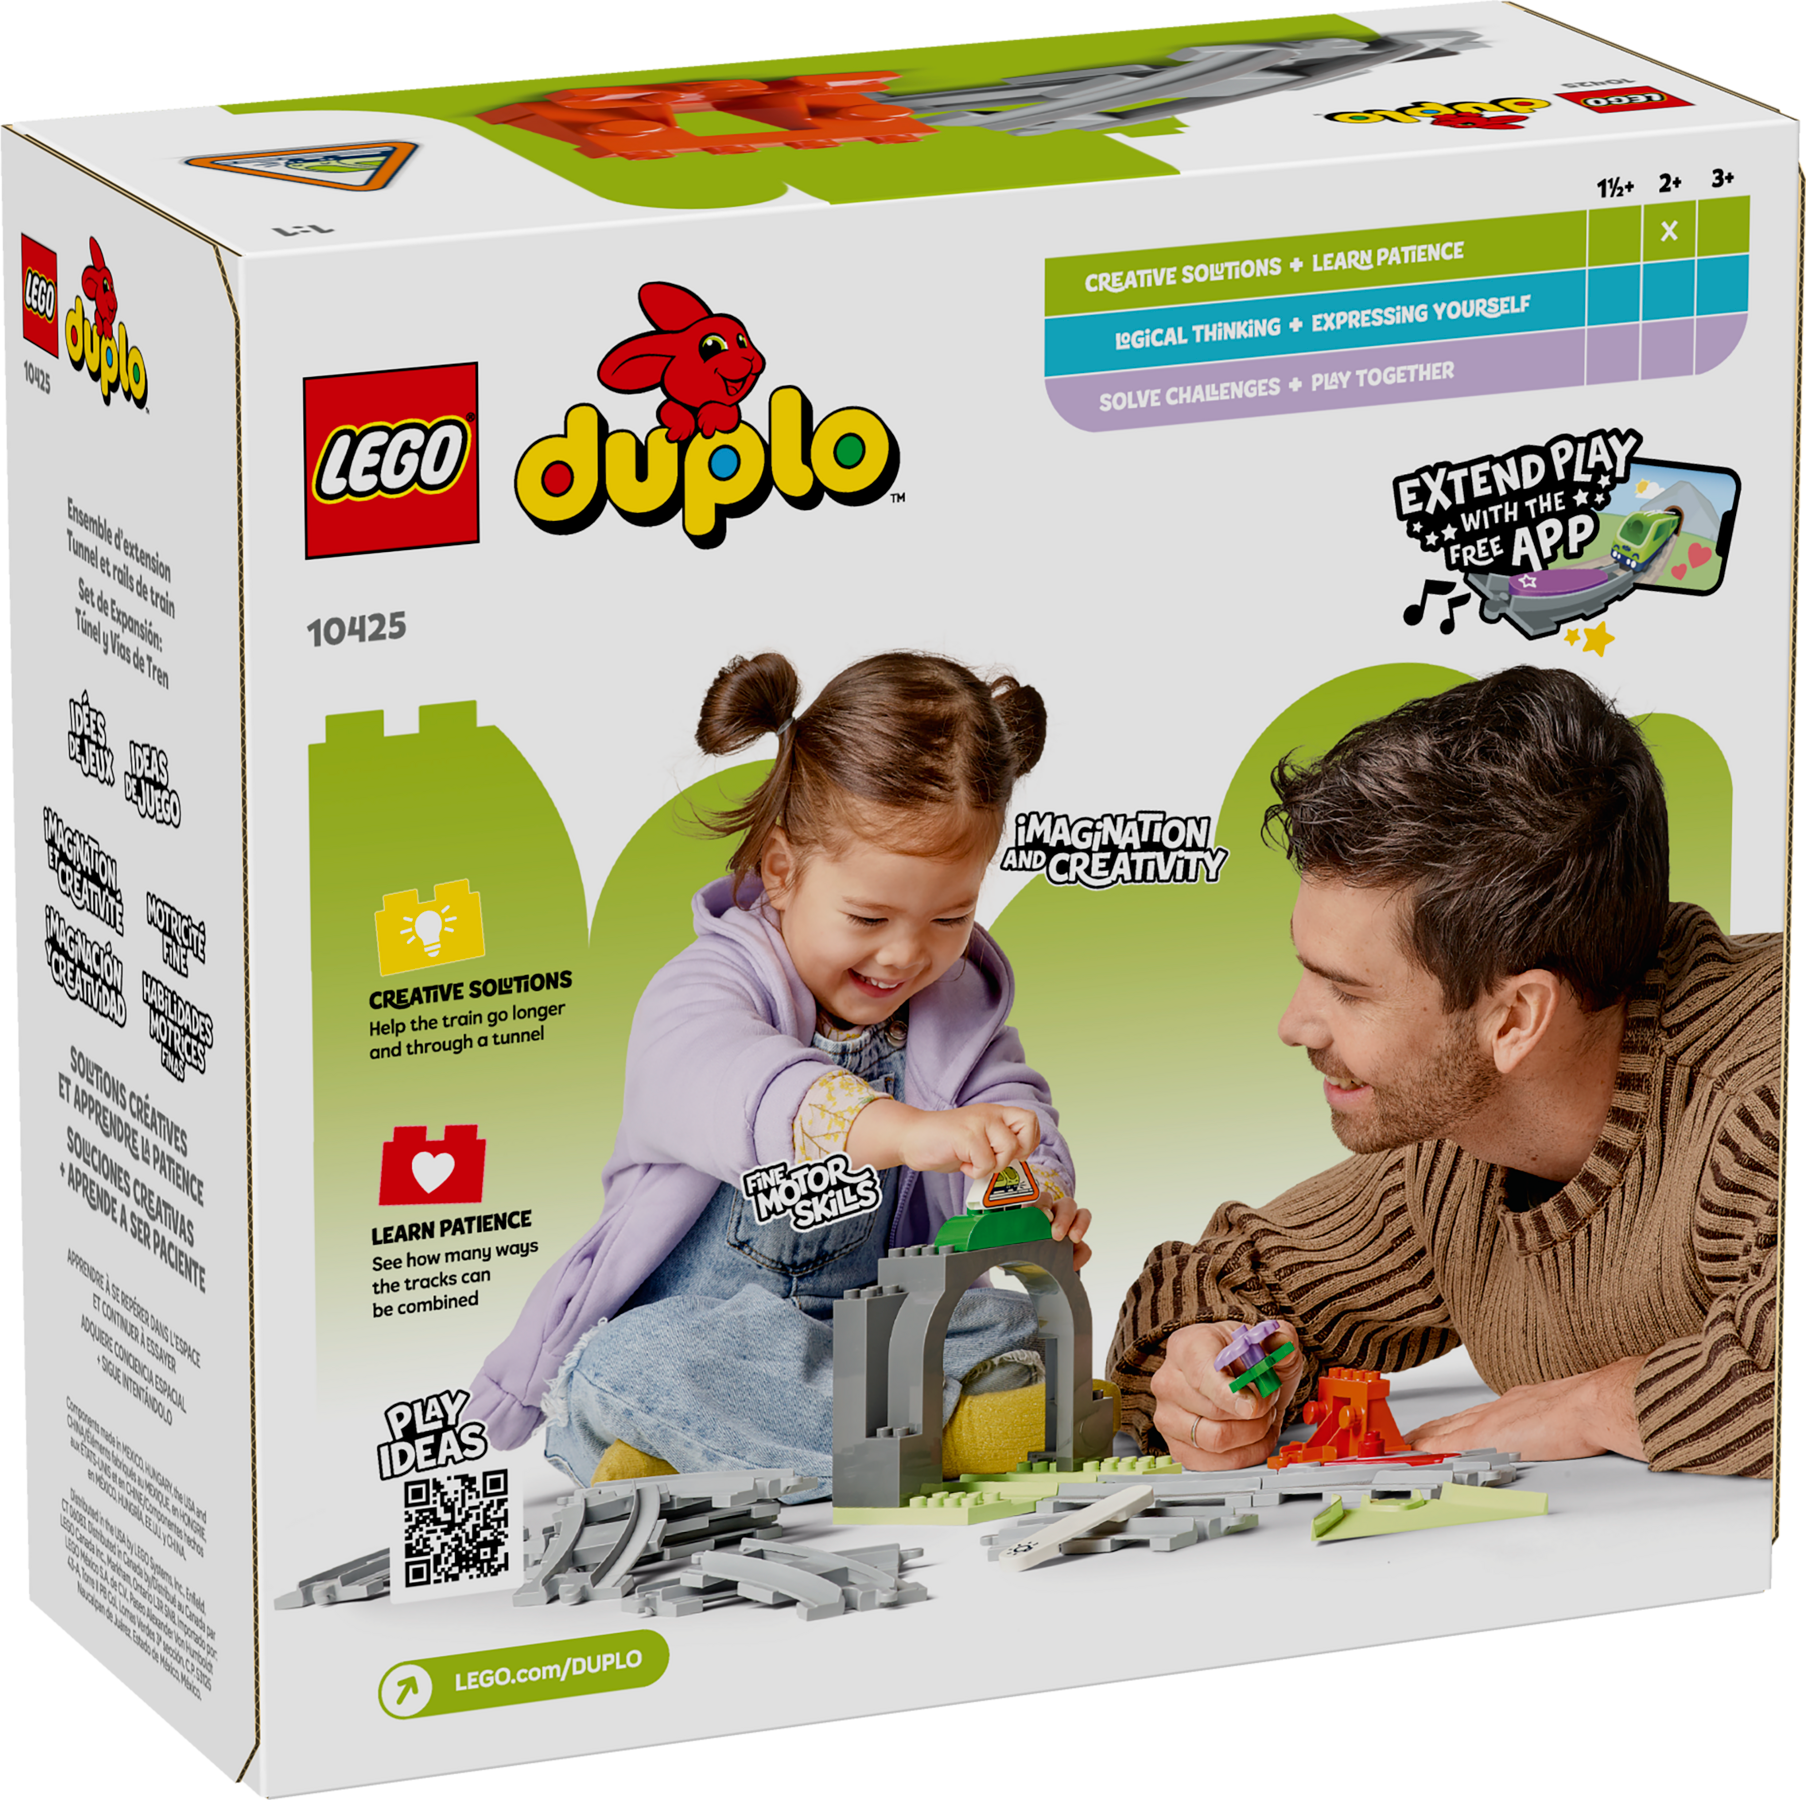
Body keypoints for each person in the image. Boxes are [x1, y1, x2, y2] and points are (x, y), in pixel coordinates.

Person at [1109, 666, 1778, 1479]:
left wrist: (1599, 1404)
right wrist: (1201, 1367)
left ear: (1516, 1019)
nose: (1294, 1025)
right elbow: (1214, 1279)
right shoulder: (1464, 1138)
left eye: (1349, 991)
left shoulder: (1759, 1102)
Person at [470, 650, 1088, 1493]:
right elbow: (737, 1080)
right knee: (624, 1363)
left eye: (951, 917)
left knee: (1011, 1322)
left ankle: (704, 1452)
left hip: (869, 1334)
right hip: (709, 1329)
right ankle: (934, 1438)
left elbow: (1009, 1106)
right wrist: (902, 1132)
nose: (906, 954)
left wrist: (1024, 1184)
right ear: (783, 871)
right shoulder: (707, 989)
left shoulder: (955, 1013)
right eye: (867, 917)